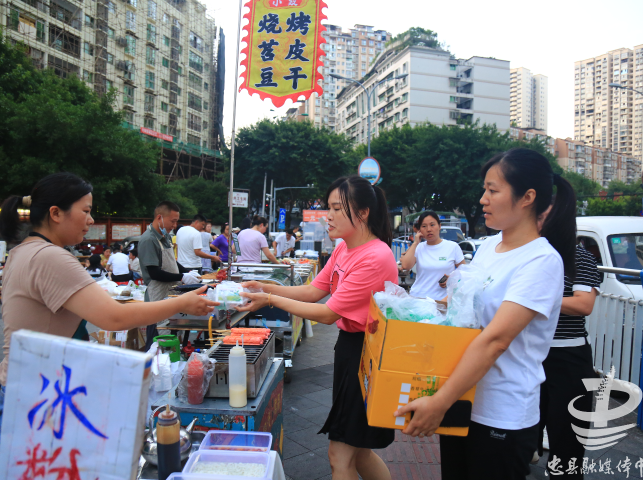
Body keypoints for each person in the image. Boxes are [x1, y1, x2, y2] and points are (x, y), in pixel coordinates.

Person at [0, 174, 219, 477]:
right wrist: (182, 303)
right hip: (36, 397)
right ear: (56, 213)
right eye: (86, 211)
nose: (91, 219)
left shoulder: (24, 250)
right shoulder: (50, 257)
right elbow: (114, 317)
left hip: (28, 387)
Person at [395, 148, 577, 480]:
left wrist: (439, 402)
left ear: (527, 198)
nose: (483, 199)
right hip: (464, 397)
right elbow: (464, 313)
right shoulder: (490, 247)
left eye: (493, 190)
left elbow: (495, 340)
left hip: (501, 413)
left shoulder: (541, 260)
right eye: (484, 190)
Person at [237, 176, 397, 480]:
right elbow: (313, 291)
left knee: (340, 454)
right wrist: (266, 286)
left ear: (363, 213)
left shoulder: (375, 256)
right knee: (359, 451)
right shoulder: (344, 248)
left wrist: (269, 299)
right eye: (329, 208)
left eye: (337, 208)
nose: (328, 216)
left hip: (367, 354)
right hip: (350, 349)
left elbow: (327, 313)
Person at [535, 234, 601, 474]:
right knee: (521, 432)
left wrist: (535, 300)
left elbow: (583, 305)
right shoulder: (528, 255)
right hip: (529, 353)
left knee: (567, 441)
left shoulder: (579, 257)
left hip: (568, 355)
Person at [138, 202, 205, 344]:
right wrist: (182, 276)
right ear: (159, 218)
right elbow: (154, 273)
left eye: (176, 221)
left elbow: (172, 262)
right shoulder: (149, 239)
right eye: (172, 221)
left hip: (169, 294)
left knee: (171, 339)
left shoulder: (165, 236)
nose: (174, 225)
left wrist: (188, 272)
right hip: (156, 298)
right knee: (157, 341)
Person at [400, 211, 464, 300]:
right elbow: (406, 266)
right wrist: (415, 243)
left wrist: (452, 279)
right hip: (418, 298)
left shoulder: (453, 247)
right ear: (420, 230)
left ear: (439, 226)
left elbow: (465, 272)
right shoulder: (418, 247)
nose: (429, 229)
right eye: (424, 226)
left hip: (442, 301)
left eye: (432, 225)